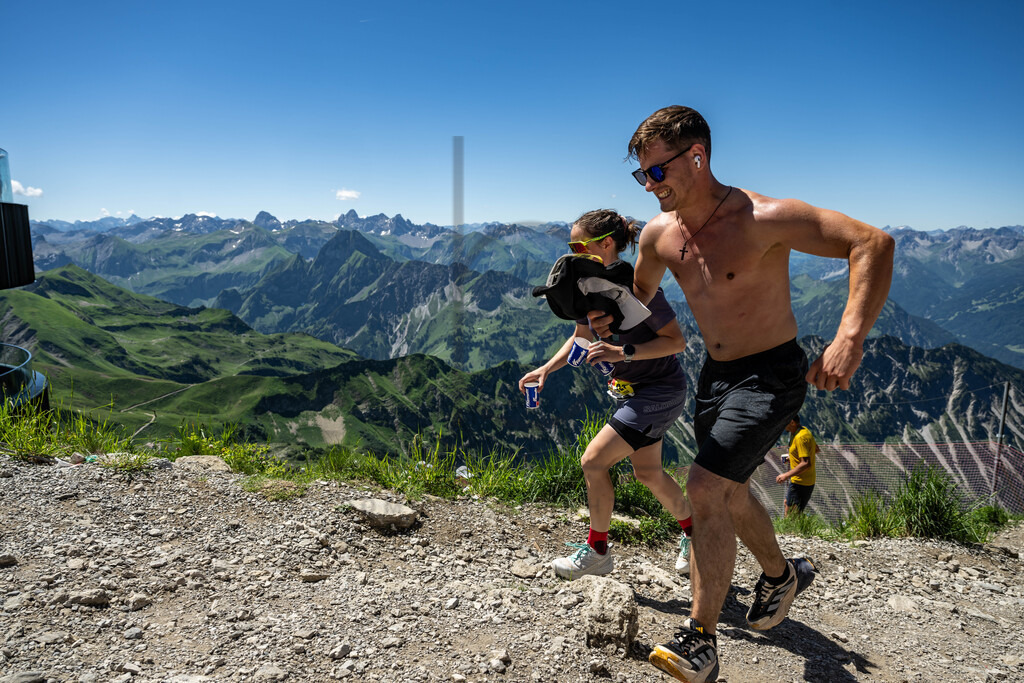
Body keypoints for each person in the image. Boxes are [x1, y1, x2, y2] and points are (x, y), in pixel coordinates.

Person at [590, 106, 894, 683]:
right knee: (726, 494)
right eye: (642, 177)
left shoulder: (763, 218)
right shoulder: (659, 236)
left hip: (773, 374)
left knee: (704, 486)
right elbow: (637, 300)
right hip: (717, 376)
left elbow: (871, 244)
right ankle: (781, 575)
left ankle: (700, 641)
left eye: (657, 172)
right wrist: (602, 315)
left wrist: (850, 335)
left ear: (698, 157)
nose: (649, 186)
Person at [519, 208, 695, 580]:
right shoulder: (588, 287)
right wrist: (546, 369)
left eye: (578, 245)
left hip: (660, 391)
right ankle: (696, 534)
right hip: (636, 393)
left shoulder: (639, 288)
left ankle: (598, 552)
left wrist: (623, 352)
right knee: (648, 473)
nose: (572, 252)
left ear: (606, 244)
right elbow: (581, 337)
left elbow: (676, 342)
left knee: (593, 462)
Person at [777, 415, 819, 516]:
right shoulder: (803, 431)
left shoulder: (800, 437)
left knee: (790, 516)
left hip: (800, 482)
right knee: (788, 503)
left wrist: (785, 476)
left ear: (792, 422)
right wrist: (792, 457)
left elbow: (806, 463)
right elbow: (815, 449)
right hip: (805, 481)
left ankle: (792, 531)